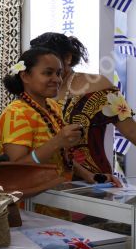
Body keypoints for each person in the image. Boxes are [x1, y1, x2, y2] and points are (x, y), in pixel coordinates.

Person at [30, 32, 136, 184]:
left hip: (94, 182)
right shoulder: (37, 91)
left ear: (67, 58)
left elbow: (131, 131)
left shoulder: (99, 85)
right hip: (46, 183)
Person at [0, 47, 88, 180]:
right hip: (31, 198)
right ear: (25, 76)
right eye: (48, 73)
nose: (57, 80)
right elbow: (16, 168)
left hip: (55, 193)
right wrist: (57, 141)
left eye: (58, 73)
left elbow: (60, 155)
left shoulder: (53, 107)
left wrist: (90, 176)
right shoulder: (16, 113)